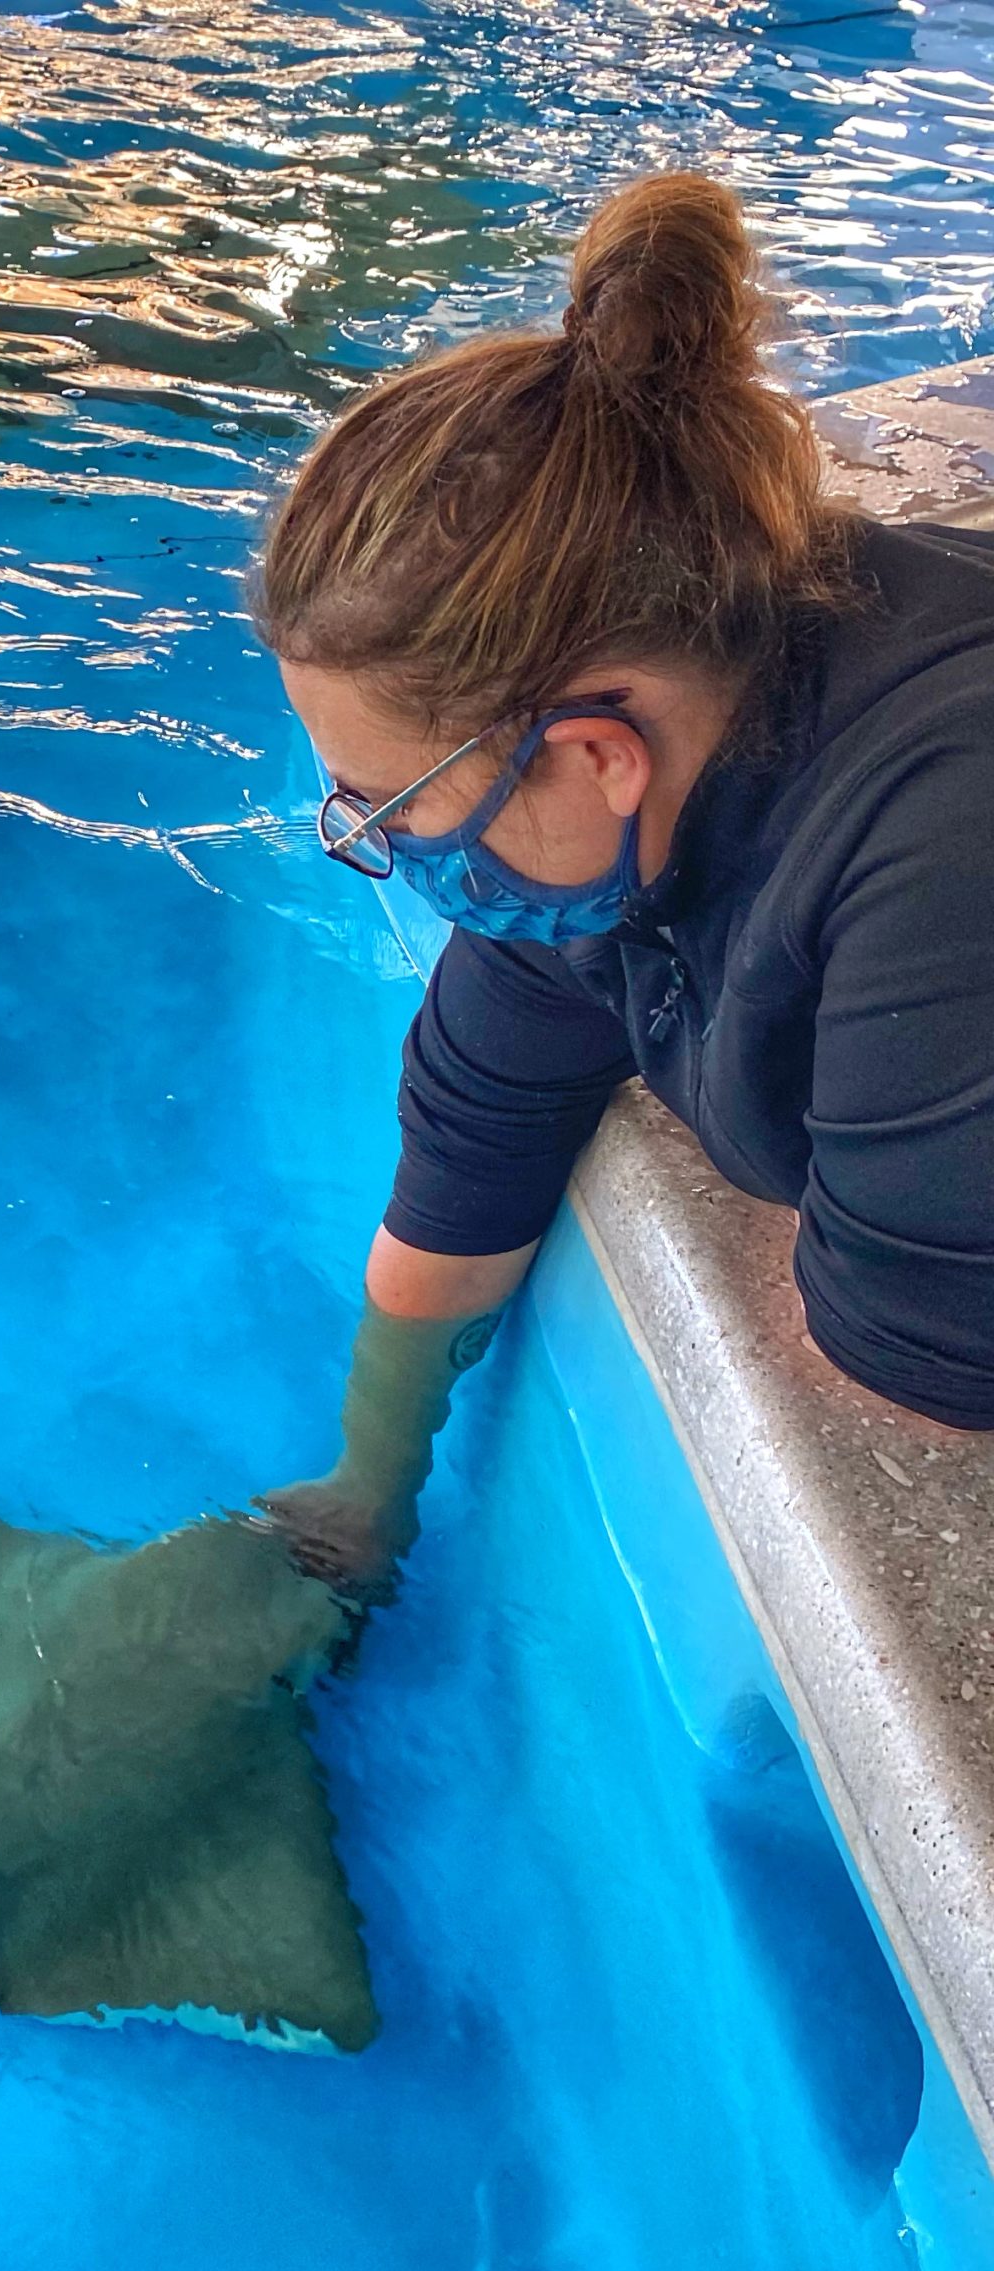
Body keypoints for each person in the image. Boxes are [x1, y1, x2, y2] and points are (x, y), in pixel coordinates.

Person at [248, 171, 994, 1593]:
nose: (382, 845)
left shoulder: (951, 851)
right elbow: (472, 1155)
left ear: (595, 752)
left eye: (392, 806)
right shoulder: (645, 772)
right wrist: (363, 1497)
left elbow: (915, 1363)